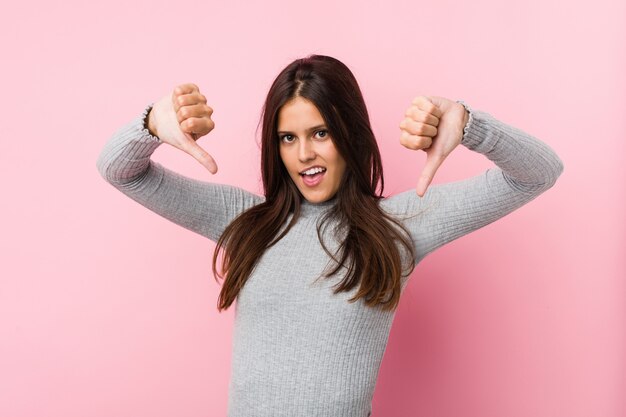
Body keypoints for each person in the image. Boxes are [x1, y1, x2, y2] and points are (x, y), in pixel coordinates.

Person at [96, 54, 564, 417]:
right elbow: (121, 171)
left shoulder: (398, 225)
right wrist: (151, 124)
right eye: (288, 137)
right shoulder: (245, 220)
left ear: (350, 134)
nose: (303, 154)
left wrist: (469, 125)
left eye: (320, 132)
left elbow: (538, 173)